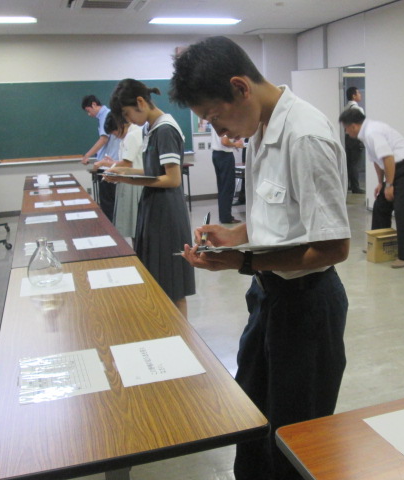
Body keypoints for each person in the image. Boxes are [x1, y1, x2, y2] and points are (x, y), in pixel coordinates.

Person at [170, 36, 350, 480]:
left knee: (293, 434)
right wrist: (234, 236)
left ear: (240, 87)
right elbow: (279, 221)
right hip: (268, 297)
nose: (218, 130)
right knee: (250, 416)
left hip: (307, 304)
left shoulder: (304, 135)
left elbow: (333, 246)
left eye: (215, 115)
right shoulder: (260, 130)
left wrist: (243, 261)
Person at [103, 79, 195, 318]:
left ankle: (181, 334)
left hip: (167, 212)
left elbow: (173, 179)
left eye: (127, 113)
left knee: (173, 284)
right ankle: (164, 328)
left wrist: (128, 180)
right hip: (152, 207)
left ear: (141, 102)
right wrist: (124, 172)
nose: (128, 120)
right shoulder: (149, 129)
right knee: (155, 278)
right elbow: (153, 170)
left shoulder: (165, 129)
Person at [339, 108, 404, 268]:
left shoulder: (372, 132)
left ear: (353, 126)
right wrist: (380, 183)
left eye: (346, 128)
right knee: (380, 205)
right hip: (396, 168)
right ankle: (378, 243)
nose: (346, 132)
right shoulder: (366, 134)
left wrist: (389, 185)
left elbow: (388, 158)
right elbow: (377, 161)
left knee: (402, 211)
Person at [94, 117, 144, 239]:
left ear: (121, 125)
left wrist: (107, 165)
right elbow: (127, 161)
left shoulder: (132, 135)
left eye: (114, 133)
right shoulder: (132, 133)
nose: (116, 136)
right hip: (132, 179)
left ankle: (137, 249)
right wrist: (111, 163)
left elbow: (127, 164)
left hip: (133, 182)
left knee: (134, 225)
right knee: (134, 225)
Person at [81, 94, 116, 221]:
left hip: (107, 166)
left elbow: (103, 139)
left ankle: (109, 227)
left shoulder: (105, 115)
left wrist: (87, 155)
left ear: (94, 104)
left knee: (107, 204)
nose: (89, 114)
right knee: (108, 202)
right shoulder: (106, 115)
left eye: (88, 110)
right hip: (109, 164)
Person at [211, 127, 243, 224]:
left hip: (216, 155)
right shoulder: (224, 124)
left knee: (222, 188)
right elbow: (224, 141)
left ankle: (223, 216)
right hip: (225, 156)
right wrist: (236, 144)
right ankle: (226, 217)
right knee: (227, 187)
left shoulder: (216, 122)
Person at [344, 87, 365, 194]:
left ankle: (348, 185)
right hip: (355, 138)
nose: (360, 95)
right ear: (353, 95)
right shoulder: (358, 109)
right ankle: (355, 187)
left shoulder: (345, 108)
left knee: (349, 163)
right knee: (355, 163)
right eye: (358, 93)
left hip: (347, 138)